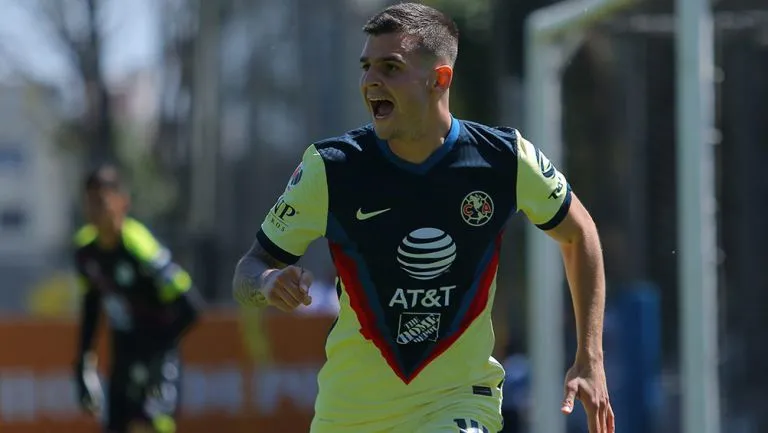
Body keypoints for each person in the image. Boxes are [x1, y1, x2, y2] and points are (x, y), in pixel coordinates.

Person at [232, 3, 614, 433]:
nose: (371, 80)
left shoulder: (504, 159)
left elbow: (579, 233)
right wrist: (268, 283)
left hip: (457, 402)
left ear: (439, 79)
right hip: (351, 412)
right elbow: (249, 269)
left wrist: (590, 358)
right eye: (366, 67)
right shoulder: (330, 168)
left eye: (390, 67)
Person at [72, 164, 201, 433]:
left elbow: (190, 306)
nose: (95, 211)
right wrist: (83, 363)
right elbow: (91, 306)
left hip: (157, 358)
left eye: (102, 202)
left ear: (122, 202)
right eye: (89, 203)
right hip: (122, 359)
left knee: (150, 426)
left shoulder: (139, 246)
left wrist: (157, 353)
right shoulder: (86, 252)